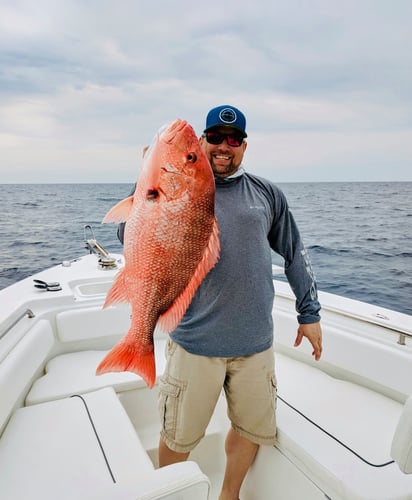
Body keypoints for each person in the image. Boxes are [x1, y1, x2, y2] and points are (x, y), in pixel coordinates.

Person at [119, 105, 322, 500]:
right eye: (213, 138)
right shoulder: (172, 186)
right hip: (195, 344)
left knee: (250, 430)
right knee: (178, 436)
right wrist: (144, 182)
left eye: (233, 140)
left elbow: (295, 253)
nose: (223, 146)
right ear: (201, 143)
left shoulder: (266, 194)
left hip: (255, 346)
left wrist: (309, 313)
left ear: (244, 146)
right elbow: (129, 237)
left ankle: (229, 495)